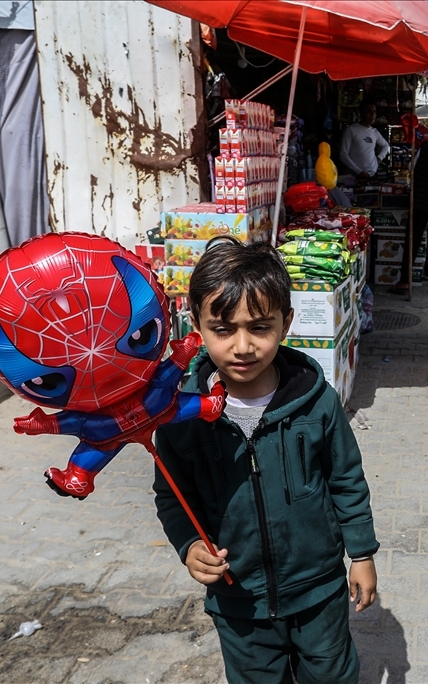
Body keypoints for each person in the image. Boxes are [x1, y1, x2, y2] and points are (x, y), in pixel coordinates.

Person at [154, 238, 379, 684]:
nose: (243, 346)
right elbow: (172, 496)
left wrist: (363, 553)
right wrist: (190, 547)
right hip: (239, 601)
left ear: (287, 322)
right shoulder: (182, 416)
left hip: (318, 591)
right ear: (196, 325)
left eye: (260, 327)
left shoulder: (316, 402)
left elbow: (346, 478)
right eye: (223, 329)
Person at [392, 132, 428, 296]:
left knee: (413, 239)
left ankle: (404, 281)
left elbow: (412, 168)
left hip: (419, 202)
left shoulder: (426, 147)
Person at [338, 102, 389, 180]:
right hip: (355, 176)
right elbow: (343, 154)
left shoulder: (374, 131)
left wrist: (379, 158)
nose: (372, 115)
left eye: (374, 111)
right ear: (361, 113)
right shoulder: (351, 130)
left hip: (373, 174)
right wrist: (358, 171)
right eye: (369, 111)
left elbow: (385, 145)